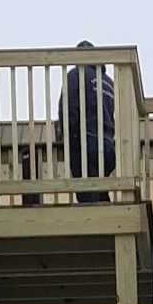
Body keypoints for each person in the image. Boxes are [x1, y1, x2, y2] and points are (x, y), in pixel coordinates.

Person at [57, 40, 116, 203]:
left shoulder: (76, 74)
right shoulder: (109, 82)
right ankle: (106, 214)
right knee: (99, 190)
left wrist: (69, 136)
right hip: (108, 146)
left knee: (87, 194)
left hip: (86, 142)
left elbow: (69, 108)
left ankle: (97, 217)